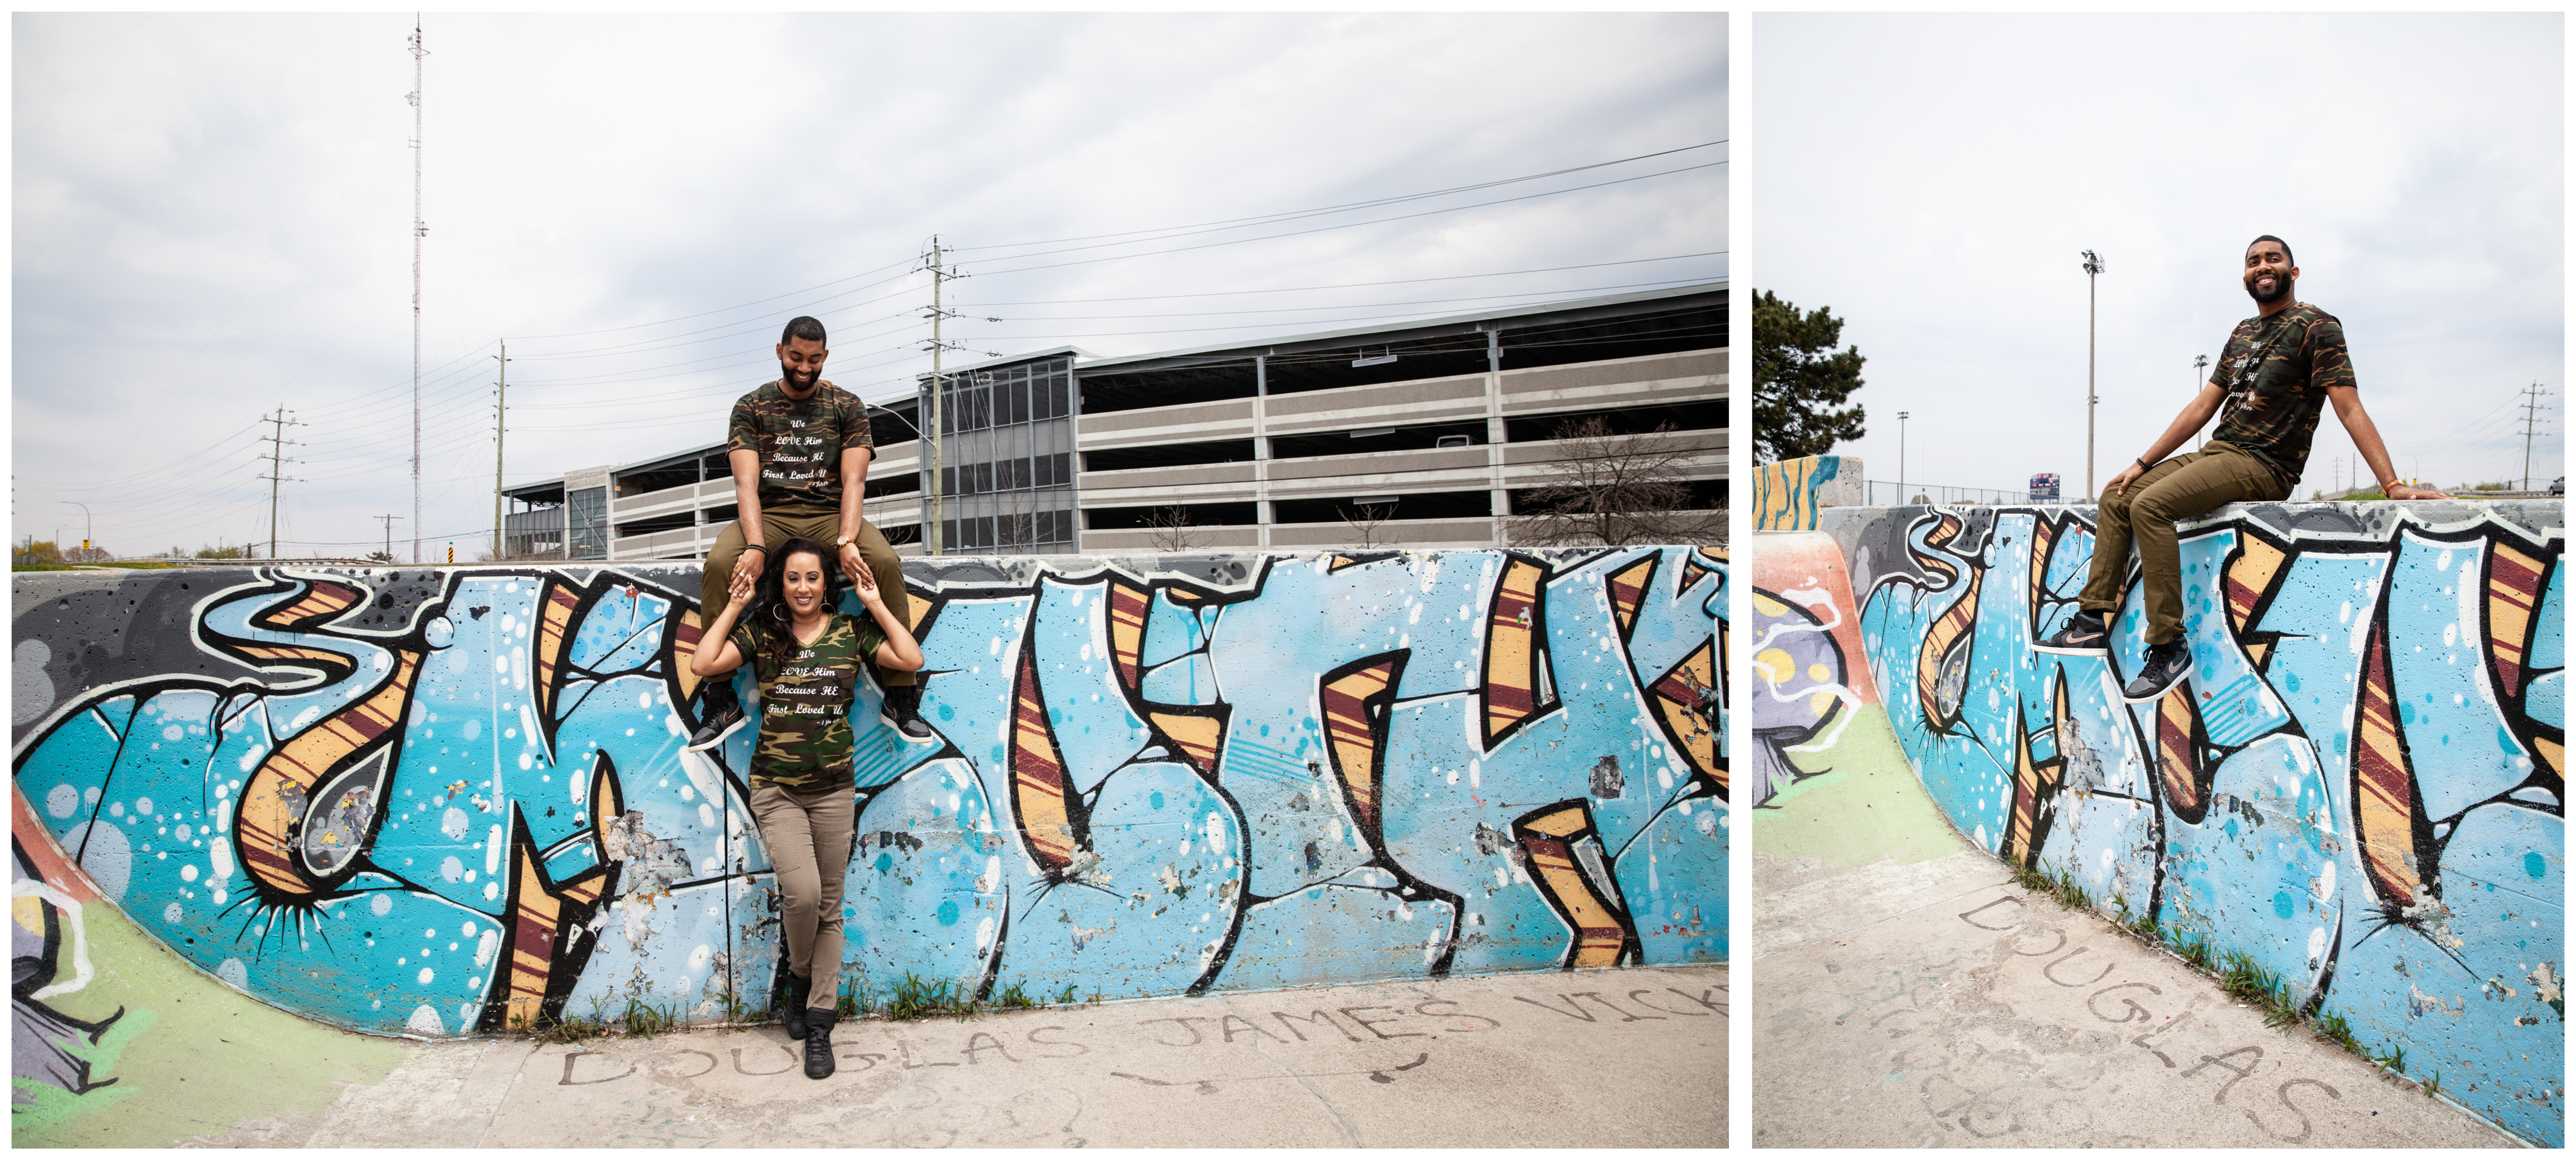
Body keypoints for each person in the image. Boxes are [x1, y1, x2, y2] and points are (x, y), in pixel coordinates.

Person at [2036, 235, 2450, 701]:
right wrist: (2140, 462)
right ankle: (2091, 621)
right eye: (2254, 261)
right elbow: (2202, 407)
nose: (2263, 266)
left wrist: (2391, 483)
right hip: (2219, 453)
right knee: (2116, 495)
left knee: (2150, 506)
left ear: (2292, 272)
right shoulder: (2241, 333)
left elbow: (2349, 407)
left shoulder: (2316, 326)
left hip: (2265, 464)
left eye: (2273, 259)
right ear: (2245, 278)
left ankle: (2168, 644)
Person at [689, 536, 924, 1080]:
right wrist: (733, 603)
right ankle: (798, 976)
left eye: (812, 578)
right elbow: (705, 661)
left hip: (834, 788)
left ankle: (818, 1022)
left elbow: (910, 658)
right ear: (782, 583)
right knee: (804, 894)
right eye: (792, 577)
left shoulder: (850, 632)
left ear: (826, 584)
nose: (802, 587)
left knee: (830, 908)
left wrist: (876, 603)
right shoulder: (763, 631)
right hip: (776, 788)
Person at [689, 315, 931, 749]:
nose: (805, 367)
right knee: (723, 562)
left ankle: (901, 694)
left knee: (883, 561)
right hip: (771, 513)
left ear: (825, 357)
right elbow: (745, 483)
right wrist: (757, 543)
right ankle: (721, 697)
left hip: (828, 514)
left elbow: (854, 482)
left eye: (814, 359)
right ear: (780, 351)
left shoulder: (847, 405)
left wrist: (847, 540)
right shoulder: (751, 406)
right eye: (797, 357)